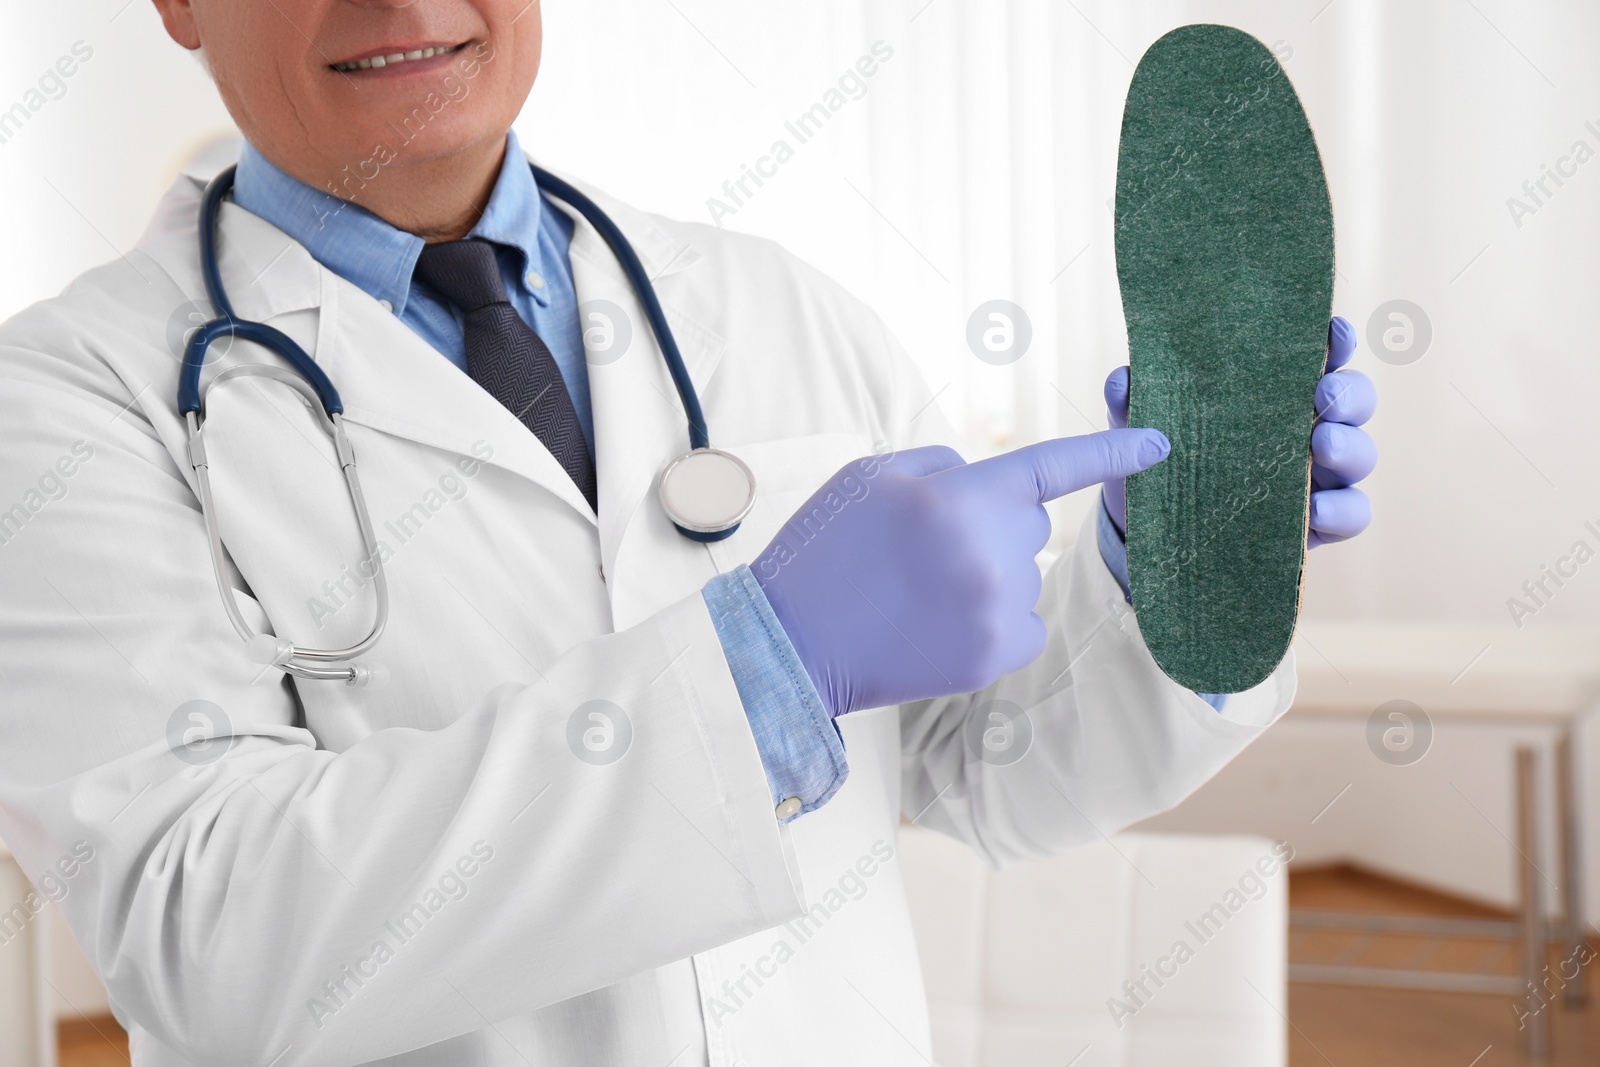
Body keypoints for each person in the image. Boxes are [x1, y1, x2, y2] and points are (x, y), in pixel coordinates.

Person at [0, 1, 1377, 1064]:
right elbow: (203, 931)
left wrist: (1162, 583)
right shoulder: (69, 403)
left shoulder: (776, 308)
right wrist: (763, 663)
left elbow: (984, 777)